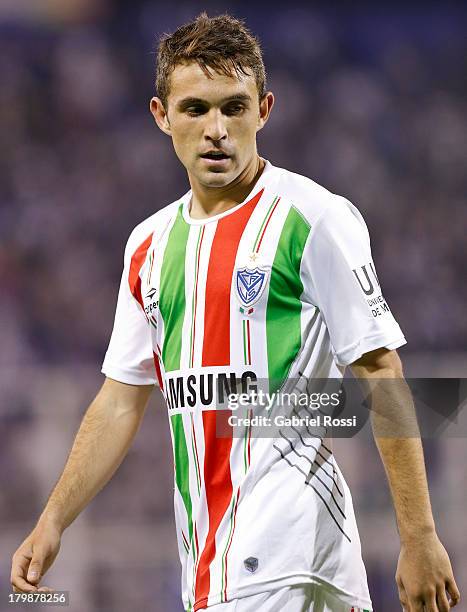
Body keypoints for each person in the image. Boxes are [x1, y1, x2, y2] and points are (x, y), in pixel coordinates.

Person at [11, 12, 460, 612]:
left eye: (234, 107)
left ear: (265, 110)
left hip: (294, 561)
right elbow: (120, 398)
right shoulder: (147, 245)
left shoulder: (313, 218)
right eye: (196, 108)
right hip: (210, 570)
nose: (216, 129)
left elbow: (381, 375)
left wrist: (420, 536)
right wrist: (54, 518)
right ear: (161, 115)